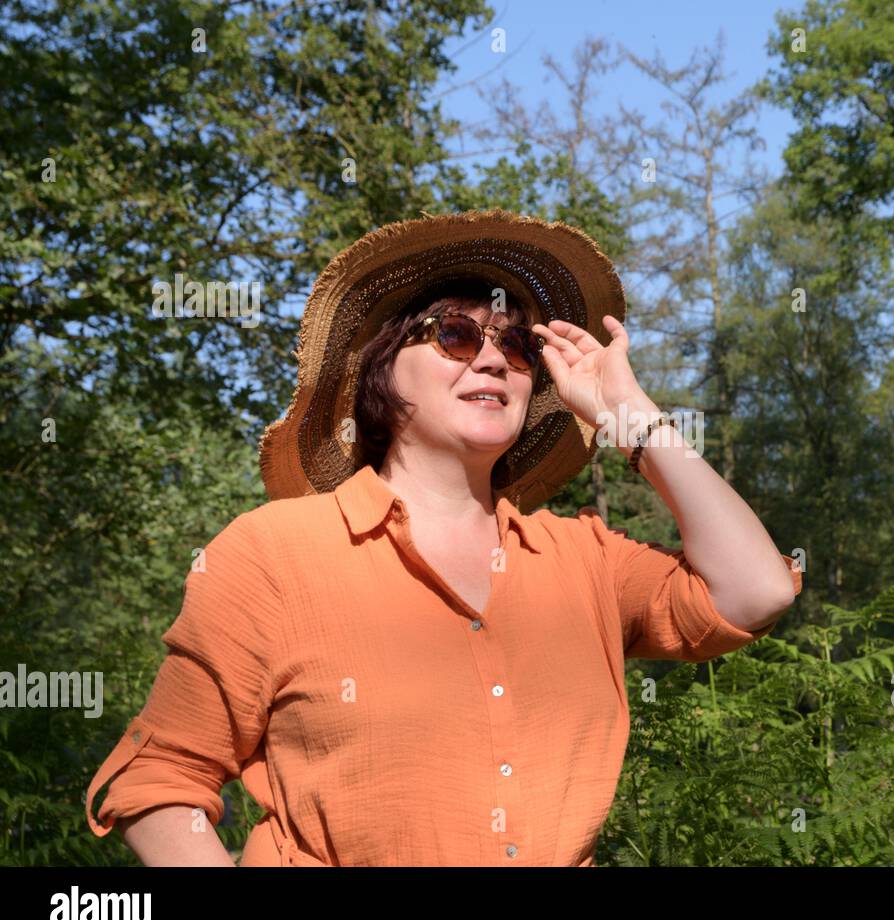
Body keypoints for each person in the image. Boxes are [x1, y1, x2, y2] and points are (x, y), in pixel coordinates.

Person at [84, 209, 802, 866]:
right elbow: (160, 777)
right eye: (456, 336)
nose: (492, 360)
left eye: (517, 346)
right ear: (379, 370)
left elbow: (756, 589)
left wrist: (629, 414)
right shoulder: (272, 555)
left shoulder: (585, 560)